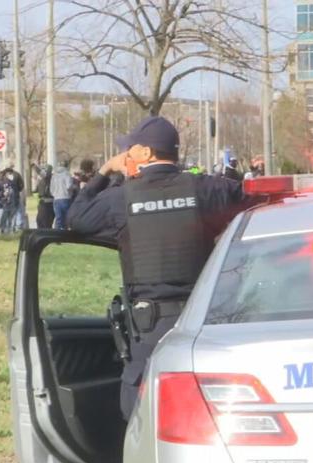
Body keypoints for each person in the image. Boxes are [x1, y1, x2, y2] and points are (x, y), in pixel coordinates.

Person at [67, 116, 251, 420]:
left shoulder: (121, 199)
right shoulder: (205, 189)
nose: (124, 155)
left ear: (146, 154)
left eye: (129, 149)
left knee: (140, 408)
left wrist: (104, 172)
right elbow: (249, 197)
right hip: (204, 316)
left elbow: (76, 218)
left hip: (151, 324)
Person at [50, 162, 74, 230]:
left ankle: (56, 234)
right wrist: (71, 191)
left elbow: (51, 189)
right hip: (65, 198)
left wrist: (55, 194)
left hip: (56, 199)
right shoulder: (67, 174)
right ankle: (65, 234)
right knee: (66, 218)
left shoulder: (54, 175)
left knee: (58, 218)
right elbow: (69, 186)